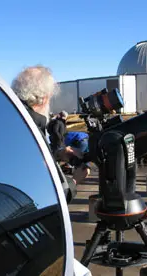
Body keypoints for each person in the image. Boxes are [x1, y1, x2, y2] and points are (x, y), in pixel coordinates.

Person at [11, 65, 89, 203]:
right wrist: (75, 180)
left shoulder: (15, 120)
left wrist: (58, 154)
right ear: (45, 98)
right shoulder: (31, 128)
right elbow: (52, 195)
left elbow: (33, 160)